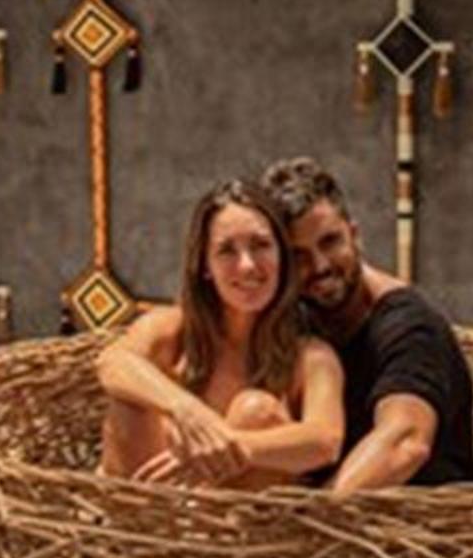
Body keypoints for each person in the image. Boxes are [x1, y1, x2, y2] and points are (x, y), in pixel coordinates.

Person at [96, 179, 345, 488]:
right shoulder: (172, 329)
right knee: (131, 401)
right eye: (227, 250)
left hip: (235, 526)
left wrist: (228, 447)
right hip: (154, 510)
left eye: (260, 245)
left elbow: (325, 441)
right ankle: (127, 530)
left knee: (256, 411)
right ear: (205, 266)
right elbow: (112, 362)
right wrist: (186, 409)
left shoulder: (310, 356)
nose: (247, 265)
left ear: (282, 255)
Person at [258, 158, 473, 492]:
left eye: (330, 242)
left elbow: (404, 444)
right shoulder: (297, 322)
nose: (320, 266)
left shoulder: (410, 328)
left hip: (412, 527)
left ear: (354, 234)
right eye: (298, 256)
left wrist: (308, 518)